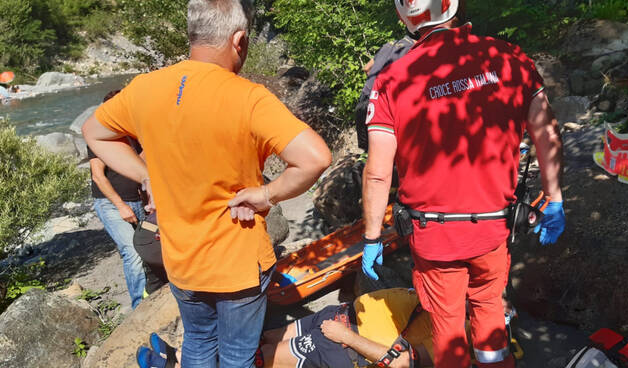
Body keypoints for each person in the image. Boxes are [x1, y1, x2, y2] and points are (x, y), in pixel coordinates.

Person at [82, 0, 332, 366]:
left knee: (198, 343)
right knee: (237, 355)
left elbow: (94, 133)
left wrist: (146, 174)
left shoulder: (144, 88)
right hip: (238, 261)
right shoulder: (248, 97)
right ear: (239, 40)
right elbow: (316, 158)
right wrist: (266, 194)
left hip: (181, 259)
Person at [361, 1, 565, 367]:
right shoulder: (508, 57)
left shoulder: (391, 80)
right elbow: (546, 135)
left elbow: (378, 172)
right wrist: (554, 198)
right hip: (492, 230)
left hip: (434, 238)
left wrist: (373, 237)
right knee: (489, 317)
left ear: (404, 16)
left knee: (448, 331)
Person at [136, 288, 435, 368]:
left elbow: (402, 362)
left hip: (344, 345)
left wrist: (345, 336)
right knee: (256, 341)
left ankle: (175, 366)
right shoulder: (460, 302)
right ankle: (181, 358)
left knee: (256, 359)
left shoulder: (461, 332)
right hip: (341, 316)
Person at [88, 90, 146, 309]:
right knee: (132, 253)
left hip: (138, 201)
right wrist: (120, 206)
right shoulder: (101, 137)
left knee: (147, 249)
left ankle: (151, 296)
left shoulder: (133, 135)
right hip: (111, 203)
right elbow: (97, 176)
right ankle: (138, 308)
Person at [355, 34, 417, 151]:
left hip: (364, 101)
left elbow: (367, 68)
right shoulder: (412, 50)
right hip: (381, 107)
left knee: (370, 152)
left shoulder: (388, 45)